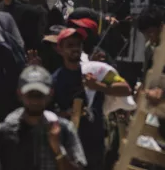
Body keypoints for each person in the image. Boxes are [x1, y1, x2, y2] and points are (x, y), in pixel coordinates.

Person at [0, 65, 88, 170]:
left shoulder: (64, 129)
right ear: (19, 94)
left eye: (39, 95)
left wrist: (57, 149)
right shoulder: (4, 131)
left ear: (50, 94)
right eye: (30, 95)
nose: (34, 101)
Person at [51, 27, 131, 170]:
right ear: (60, 50)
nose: (75, 48)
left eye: (78, 44)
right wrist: (66, 114)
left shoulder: (95, 70)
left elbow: (125, 89)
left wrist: (98, 86)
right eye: (70, 45)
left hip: (95, 143)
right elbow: (47, 113)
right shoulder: (55, 80)